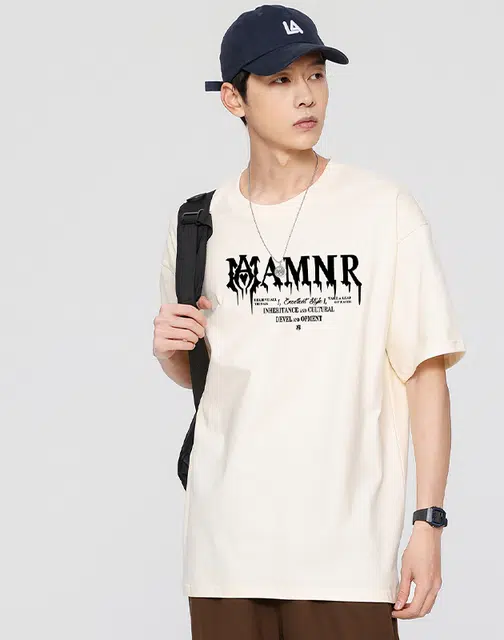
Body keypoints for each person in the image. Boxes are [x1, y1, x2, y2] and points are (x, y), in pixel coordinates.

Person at [153, 5, 467, 639]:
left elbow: (425, 372)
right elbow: (210, 378)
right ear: (234, 99)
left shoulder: (382, 211)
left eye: (316, 75)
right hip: (225, 550)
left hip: (344, 553)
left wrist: (428, 521)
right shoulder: (198, 225)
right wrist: (170, 353)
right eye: (280, 80)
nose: (307, 96)